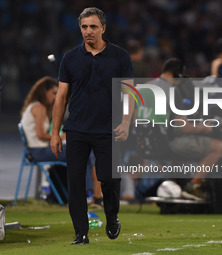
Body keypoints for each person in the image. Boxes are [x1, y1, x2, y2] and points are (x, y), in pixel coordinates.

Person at [50, 7, 134, 245]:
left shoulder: (120, 57)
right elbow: (61, 96)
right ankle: (80, 233)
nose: (88, 31)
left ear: (103, 28)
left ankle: (112, 216)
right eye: (84, 27)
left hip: (108, 129)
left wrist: (126, 122)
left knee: (109, 178)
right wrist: (54, 133)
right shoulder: (70, 58)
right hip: (76, 128)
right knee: (75, 182)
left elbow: (129, 94)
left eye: (93, 27)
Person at [149, 58, 222, 200]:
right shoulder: (173, 91)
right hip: (167, 143)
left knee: (179, 150)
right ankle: (193, 187)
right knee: (217, 146)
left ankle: (177, 188)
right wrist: (204, 128)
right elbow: (185, 128)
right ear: (178, 75)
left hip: (147, 143)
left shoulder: (147, 87)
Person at [20, 77, 66, 196]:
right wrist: (60, 137)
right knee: (81, 151)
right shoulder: (39, 107)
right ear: (44, 92)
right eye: (53, 93)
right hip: (39, 151)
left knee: (77, 152)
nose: (55, 97)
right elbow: (40, 134)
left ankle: (61, 194)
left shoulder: (36, 106)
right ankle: (87, 192)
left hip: (35, 150)